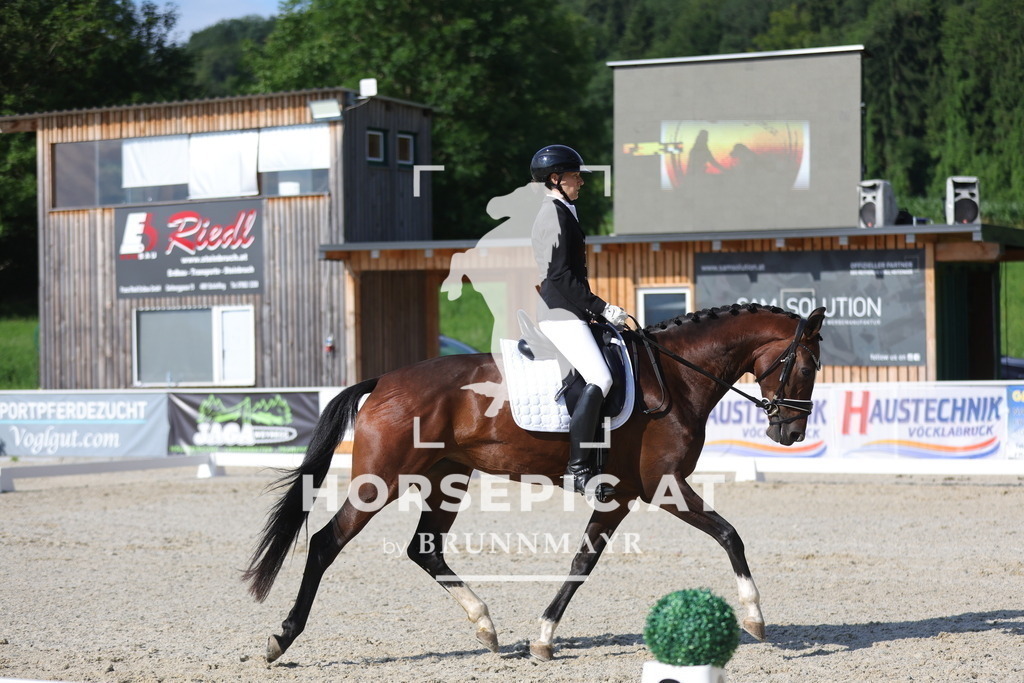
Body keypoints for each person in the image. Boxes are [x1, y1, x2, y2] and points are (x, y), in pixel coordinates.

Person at [529, 144, 629, 500]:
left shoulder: (562, 210)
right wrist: (603, 307)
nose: (580, 183)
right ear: (555, 179)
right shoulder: (553, 215)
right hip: (559, 313)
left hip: (571, 310)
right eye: (574, 176)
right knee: (600, 377)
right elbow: (560, 279)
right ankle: (578, 468)